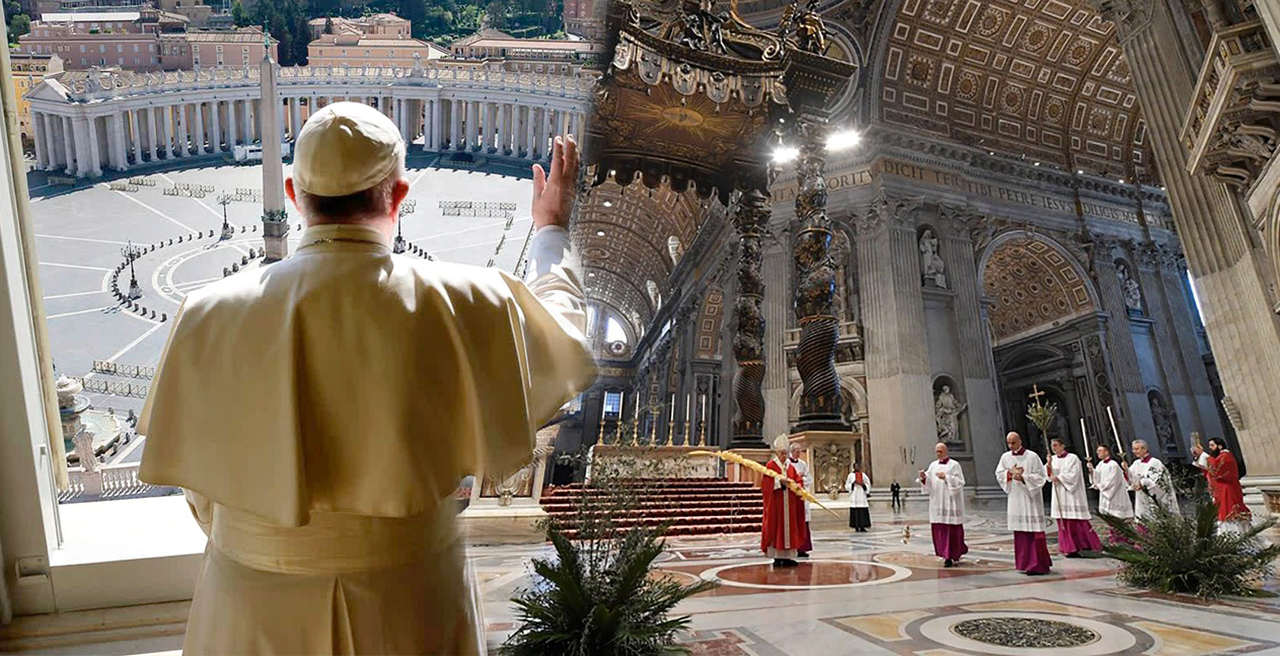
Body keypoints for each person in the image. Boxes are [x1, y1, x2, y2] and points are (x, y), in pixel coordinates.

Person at [138, 103, 597, 655]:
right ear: (400, 195)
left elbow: (201, 494)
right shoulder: (471, 300)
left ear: (292, 193)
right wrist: (551, 231)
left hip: (249, 605)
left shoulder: (205, 313)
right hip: (409, 598)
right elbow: (565, 336)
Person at [995, 432, 1052, 575]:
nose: (1011, 446)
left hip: (1030, 498)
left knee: (1034, 532)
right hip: (1016, 497)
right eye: (1008, 443)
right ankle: (1024, 563)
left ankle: (1037, 564)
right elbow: (999, 473)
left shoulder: (1032, 456)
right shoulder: (1005, 457)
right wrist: (1009, 474)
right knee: (1020, 532)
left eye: (1013, 442)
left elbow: (1041, 476)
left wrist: (1024, 477)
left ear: (1020, 441)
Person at [1046, 438, 1101, 558]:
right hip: (1059, 494)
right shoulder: (1053, 459)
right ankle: (1067, 547)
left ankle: (1082, 545)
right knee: (1063, 521)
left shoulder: (1073, 458)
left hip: (1071, 494)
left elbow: (1074, 474)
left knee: (1074, 520)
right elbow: (1047, 475)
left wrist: (1059, 477)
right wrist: (1049, 465)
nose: (1053, 448)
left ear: (1062, 445)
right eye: (1052, 446)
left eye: (1055, 445)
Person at [919, 442, 967, 567]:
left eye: (940, 451)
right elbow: (928, 483)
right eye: (937, 451)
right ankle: (944, 555)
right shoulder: (933, 465)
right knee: (940, 529)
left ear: (946, 451)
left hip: (950, 502)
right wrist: (923, 478)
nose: (938, 453)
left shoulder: (954, 465)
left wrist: (946, 477)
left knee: (952, 529)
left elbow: (960, 482)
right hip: (937, 501)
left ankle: (953, 553)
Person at [762, 435, 807, 568]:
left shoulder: (789, 466)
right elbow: (766, 483)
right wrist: (779, 482)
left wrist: (798, 485)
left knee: (790, 528)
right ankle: (777, 557)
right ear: (776, 453)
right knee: (777, 528)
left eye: (785, 453)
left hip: (790, 503)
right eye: (782, 453)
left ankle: (788, 557)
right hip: (777, 504)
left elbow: (797, 478)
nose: (784, 456)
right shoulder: (771, 465)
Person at [1205, 437, 1249, 522]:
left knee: (1230, 510)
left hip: (1227, 488)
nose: (1210, 448)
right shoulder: (1223, 456)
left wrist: (1206, 458)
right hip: (1224, 487)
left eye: (1212, 445)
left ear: (1220, 446)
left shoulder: (1225, 457)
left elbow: (1216, 471)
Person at [1129, 439, 1174, 520]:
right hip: (1141, 499)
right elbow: (1130, 477)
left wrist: (1142, 483)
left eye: (1137, 449)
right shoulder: (1136, 463)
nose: (1134, 451)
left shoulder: (1155, 463)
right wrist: (1125, 470)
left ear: (1145, 449)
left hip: (1154, 498)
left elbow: (1157, 482)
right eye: (1133, 449)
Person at [1089, 444, 1134, 521]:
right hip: (1105, 493)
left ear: (1106, 452)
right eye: (1097, 451)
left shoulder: (1113, 465)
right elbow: (1096, 476)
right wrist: (1091, 470)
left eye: (1100, 451)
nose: (1097, 453)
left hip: (1115, 493)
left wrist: (1100, 486)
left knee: (1117, 517)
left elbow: (1112, 481)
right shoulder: (1100, 464)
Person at [789, 442, 814, 557]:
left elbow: (809, 479)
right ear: (792, 452)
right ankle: (793, 547)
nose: (799, 454)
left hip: (802, 496)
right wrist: (796, 478)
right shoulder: (787, 464)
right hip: (792, 497)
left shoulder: (803, 464)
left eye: (800, 451)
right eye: (797, 452)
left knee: (804, 522)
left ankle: (803, 548)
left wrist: (801, 478)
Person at [845, 463, 871, 532]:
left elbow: (868, 484)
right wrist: (853, 484)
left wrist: (863, 485)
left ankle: (862, 526)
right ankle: (856, 526)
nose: (857, 468)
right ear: (853, 467)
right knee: (856, 511)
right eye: (855, 466)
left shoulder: (864, 475)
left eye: (858, 466)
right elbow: (847, 485)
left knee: (862, 511)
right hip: (855, 495)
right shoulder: (850, 476)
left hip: (861, 495)